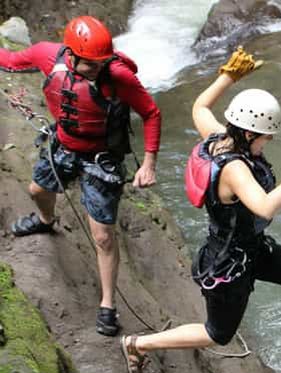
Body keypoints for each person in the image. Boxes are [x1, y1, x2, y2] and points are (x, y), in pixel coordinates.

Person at [119, 47, 281, 373]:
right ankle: (138, 345)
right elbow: (264, 206)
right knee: (217, 334)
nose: (268, 143)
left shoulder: (219, 137)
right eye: (266, 137)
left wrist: (229, 76)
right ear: (249, 134)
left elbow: (199, 107)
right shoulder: (234, 168)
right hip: (228, 263)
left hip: (251, 247)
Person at [0, 15, 161, 336]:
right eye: (90, 64)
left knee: (102, 236)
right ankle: (46, 221)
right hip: (63, 144)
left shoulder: (118, 75)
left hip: (101, 159)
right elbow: (11, 61)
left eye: (101, 62)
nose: (98, 68)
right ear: (70, 54)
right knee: (36, 190)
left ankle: (107, 306)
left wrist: (148, 163)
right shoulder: (47, 55)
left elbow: (151, 112)